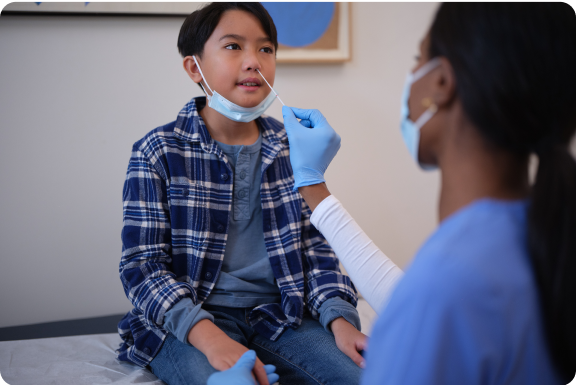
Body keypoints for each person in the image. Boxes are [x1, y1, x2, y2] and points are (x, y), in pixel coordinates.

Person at [280, 2, 576, 384]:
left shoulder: (448, 284)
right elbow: (418, 301)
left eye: (418, 58)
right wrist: (312, 185)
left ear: (441, 84)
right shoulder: (541, 235)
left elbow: (435, 303)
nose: (412, 76)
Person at [116, 2, 366, 385]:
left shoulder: (292, 148)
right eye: (234, 46)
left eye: (265, 49)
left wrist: (338, 317)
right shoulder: (157, 151)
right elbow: (142, 266)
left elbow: (317, 250)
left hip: (282, 316)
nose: (254, 62)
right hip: (191, 321)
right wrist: (209, 336)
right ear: (193, 67)